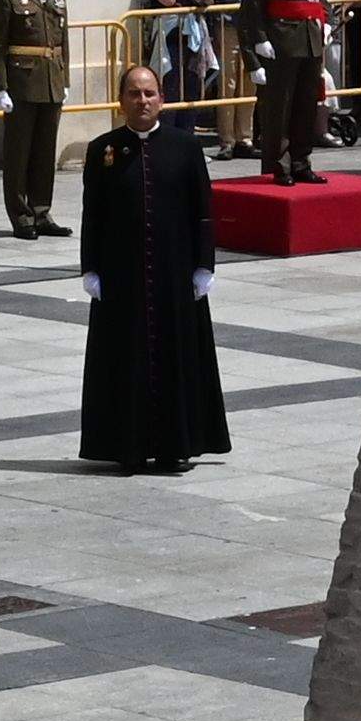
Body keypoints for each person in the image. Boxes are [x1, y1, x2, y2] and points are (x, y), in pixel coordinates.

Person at [75, 62, 226, 473]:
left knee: (177, 357)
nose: (142, 101)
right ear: (120, 101)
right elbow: (93, 214)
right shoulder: (103, 149)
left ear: (162, 99)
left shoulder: (185, 146)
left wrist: (204, 265)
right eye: (134, 93)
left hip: (175, 274)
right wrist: (90, 268)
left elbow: (203, 210)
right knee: (124, 360)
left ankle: (177, 445)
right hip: (122, 276)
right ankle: (128, 447)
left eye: (149, 93)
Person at [0, 0, 75, 239]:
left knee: (44, 151)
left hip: (51, 80)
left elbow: (63, 38)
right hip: (22, 82)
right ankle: (21, 215)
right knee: (19, 152)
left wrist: (65, 79)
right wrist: (0, 87)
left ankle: (41, 211)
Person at [239, 0, 331, 181]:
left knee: (306, 101)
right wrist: (258, 39)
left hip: (311, 34)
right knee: (279, 105)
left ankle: (301, 161)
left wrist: (325, 19)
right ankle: (279, 164)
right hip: (281, 36)